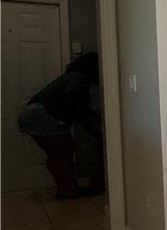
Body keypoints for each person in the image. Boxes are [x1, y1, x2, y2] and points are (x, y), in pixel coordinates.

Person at [17, 52, 103, 199]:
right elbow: (76, 104)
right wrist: (96, 127)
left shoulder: (70, 77)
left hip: (32, 115)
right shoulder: (78, 79)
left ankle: (65, 189)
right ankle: (70, 190)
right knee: (62, 152)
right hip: (44, 116)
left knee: (56, 154)